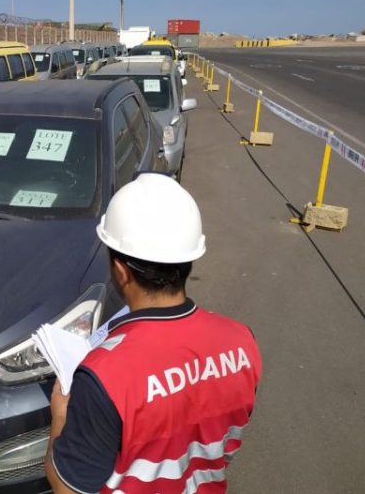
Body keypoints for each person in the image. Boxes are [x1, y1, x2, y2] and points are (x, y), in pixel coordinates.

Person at [45, 173, 262, 493]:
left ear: (120, 269)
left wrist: (60, 415)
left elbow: (68, 488)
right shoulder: (243, 342)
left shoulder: (104, 376)